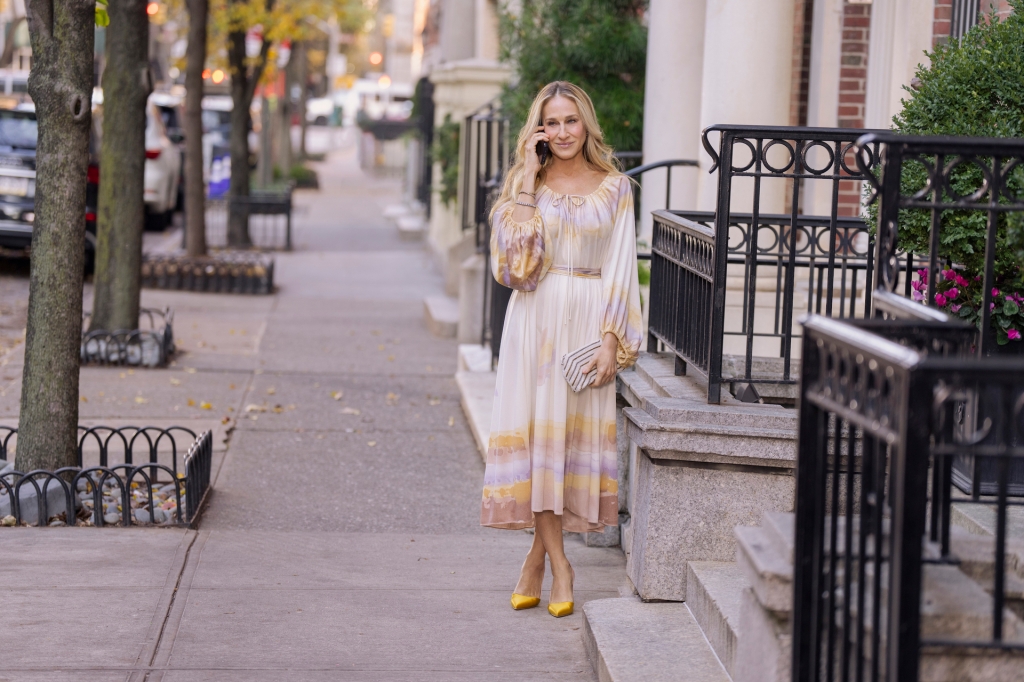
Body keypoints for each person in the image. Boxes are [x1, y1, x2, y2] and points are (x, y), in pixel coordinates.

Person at [480, 81, 643, 618]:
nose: (563, 132)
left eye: (571, 120)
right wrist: (528, 178)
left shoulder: (617, 188)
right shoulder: (525, 189)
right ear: (538, 131)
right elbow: (514, 270)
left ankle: (535, 561)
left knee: (566, 447)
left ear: (586, 124)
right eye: (551, 123)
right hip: (534, 322)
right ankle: (561, 566)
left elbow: (622, 270)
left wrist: (611, 341)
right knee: (536, 445)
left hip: (589, 324)